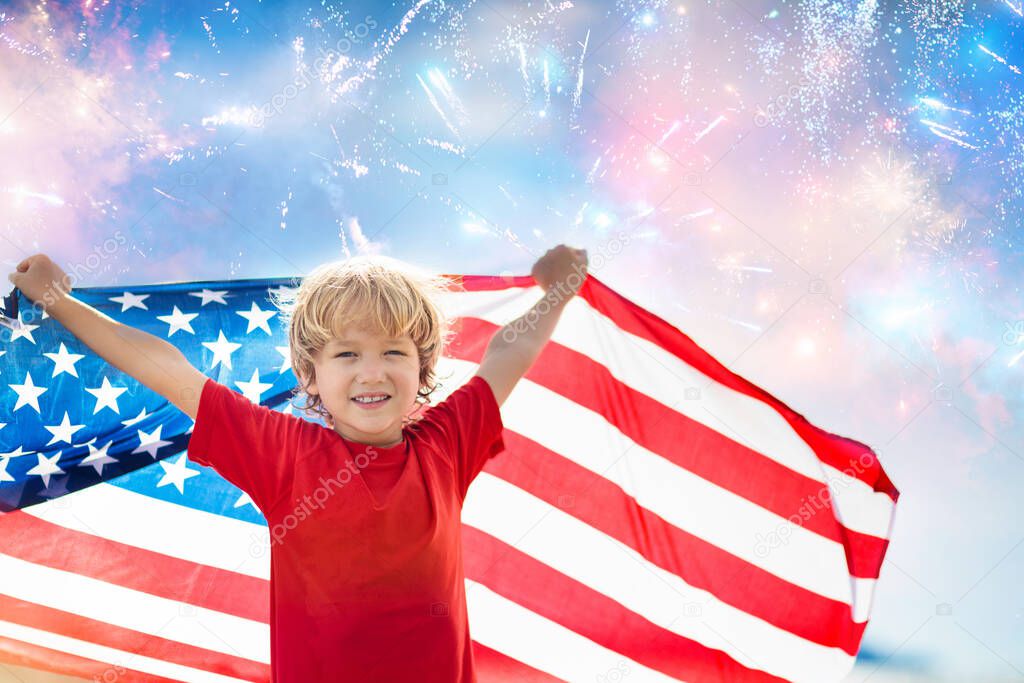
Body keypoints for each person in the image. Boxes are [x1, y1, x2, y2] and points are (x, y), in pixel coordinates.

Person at [8, 245, 588, 682]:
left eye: (393, 351)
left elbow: (508, 354)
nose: (371, 371)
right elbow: (167, 370)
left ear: (423, 368)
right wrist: (59, 301)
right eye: (346, 354)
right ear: (309, 375)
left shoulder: (447, 442)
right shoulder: (281, 451)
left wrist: (560, 289)